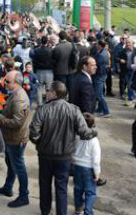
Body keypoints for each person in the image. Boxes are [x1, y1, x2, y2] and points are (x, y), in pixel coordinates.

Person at [29, 81, 96, 215]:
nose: (45, 92)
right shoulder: (73, 110)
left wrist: (41, 143)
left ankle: (45, 211)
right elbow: (85, 133)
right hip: (64, 157)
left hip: (45, 155)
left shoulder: (43, 109)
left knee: (45, 185)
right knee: (61, 188)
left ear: (54, 93)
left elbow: (33, 134)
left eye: (47, 90)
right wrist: (94, 131)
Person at [0, 70, 31, 208]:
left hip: (16, 139)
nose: (5, 83)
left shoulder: (19, 98)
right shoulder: (14, 94)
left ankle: (24, 196)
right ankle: (8, 187)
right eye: (5, 80)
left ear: (17, 83)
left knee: (18, 167)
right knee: (11, 163)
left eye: (7, 81)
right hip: (10, 138)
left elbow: (16, 122)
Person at [72, 113, 101, 215]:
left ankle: (78, 210)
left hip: (76, 166)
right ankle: (88, 212)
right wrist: (97, 173)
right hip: (89, 169)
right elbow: (96, 159)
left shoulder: (76, 137)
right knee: (90, 192)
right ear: (93, 126)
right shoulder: (94, 140)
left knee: (78, 189)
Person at [92, 40, 111, 118]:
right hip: (103, 74)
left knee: (99, 94)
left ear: (100, 45)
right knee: (101, 93)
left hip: (99, 75)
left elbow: (97, 65)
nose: (96, 45)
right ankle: (100, 109)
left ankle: (106, 111)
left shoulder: (101, 55)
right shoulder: (105, 52)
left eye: (97, 44)